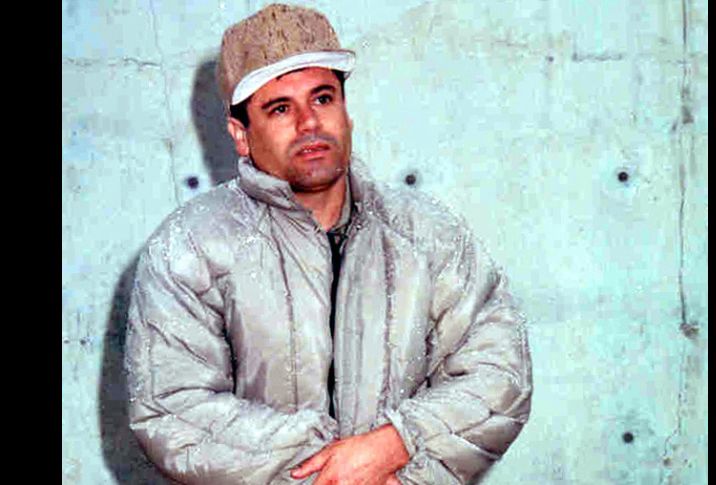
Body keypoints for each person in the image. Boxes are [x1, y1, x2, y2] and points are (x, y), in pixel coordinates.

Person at [125, 4, 532, 484]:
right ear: (241, 135)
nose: (309, 123)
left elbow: (498, 376)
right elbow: (172, 409)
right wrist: (337, 471)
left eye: (322, 98)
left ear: (345, 111)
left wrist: (396, 446)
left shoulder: (429, 235)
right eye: (280, 108)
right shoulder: (191, 246)